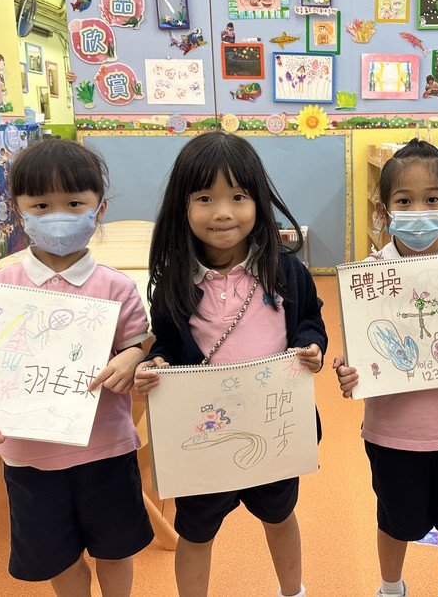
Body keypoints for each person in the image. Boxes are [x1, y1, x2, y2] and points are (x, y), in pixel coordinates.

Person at [134, 132, 327, 597]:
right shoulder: (174, 280)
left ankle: (293, 590)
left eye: (237, 197)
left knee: (280, 516)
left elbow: (310, 320)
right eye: (205, 198)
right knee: (196, 531)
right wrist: (156, 362)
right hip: (203, 435)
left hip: (273, 427)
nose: (222, 212)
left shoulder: (286, 271)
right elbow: (169, 343)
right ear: (183, 206)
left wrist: (311, 346)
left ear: (258, 201)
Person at [0, 137, 154, 595]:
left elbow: (139, 344)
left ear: (99, 209)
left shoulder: (116, 286)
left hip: (106, 448)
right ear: (19, 212)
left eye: (73, 203)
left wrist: (132, 358)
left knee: (115, 550)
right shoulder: (1, 286)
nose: (57, 216)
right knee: (57, 556)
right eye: (41, 205)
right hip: (28, 455)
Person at [334, 139, 438, 597]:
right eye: (404, 201)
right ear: (384, 210)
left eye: (432, 199)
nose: (418, 211)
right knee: (394, 519)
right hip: (393, 433)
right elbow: (360, 349)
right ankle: (391, 587)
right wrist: (349, 371)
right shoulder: (367, 277)